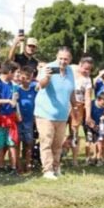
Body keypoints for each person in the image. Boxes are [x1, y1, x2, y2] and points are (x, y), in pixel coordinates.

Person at [34, 47, 76, 180]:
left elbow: (71, 90)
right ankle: (47, 170)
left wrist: (74, 106)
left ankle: (56, 167)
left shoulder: (70, 71)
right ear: (56, 57)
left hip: (62, 115)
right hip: (45, 113)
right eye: (61, 58)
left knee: (58, 144)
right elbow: (42, 85)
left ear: (70, 60)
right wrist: (47, 76)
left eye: (66, 59)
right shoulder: (48, 67)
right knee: (46, 141)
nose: (63, 61)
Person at [0, 61, 20, 174]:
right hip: (0, 118)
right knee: (0, 144)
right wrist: (7, 101)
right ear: (10, 72)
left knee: (12, 143)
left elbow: (15, 102)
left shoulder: (12, 85)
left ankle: (13, 168)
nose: (16, 75)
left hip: (11, 118)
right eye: (15, 72)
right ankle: (0, 167)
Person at [70, 56, 94, 166]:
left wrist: (88, 116)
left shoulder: (87, 79)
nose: (87, 71)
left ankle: (74, 160)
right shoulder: (70, 71)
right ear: (79, 64)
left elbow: (88, 98)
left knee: (75, 133)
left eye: (89, 69)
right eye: (85, 68)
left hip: (78, 108)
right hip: (65, 106)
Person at [16, 66, 38, 173]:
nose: (28, 78)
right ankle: (18, 165)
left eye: (30, 76)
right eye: (26, 76)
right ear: (21, 76)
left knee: (29, 143)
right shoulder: (17, 89)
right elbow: (15, 104)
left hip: (29, 121)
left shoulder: (34, 88)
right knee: (17, 142)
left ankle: (28, 164)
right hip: (19, 120)